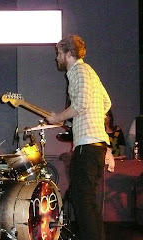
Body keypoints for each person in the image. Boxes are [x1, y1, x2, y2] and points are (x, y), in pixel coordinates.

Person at [46, 34, 111, 240]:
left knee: (82, 199)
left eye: (59, 54)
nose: (57, 58)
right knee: (87, 200)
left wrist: (59, 117)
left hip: (87, 144)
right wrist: (80, 120)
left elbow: (81, 105)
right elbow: (106, 103)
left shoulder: (77, 71)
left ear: (69, 54)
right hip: (96, 144)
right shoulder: (89, 71)